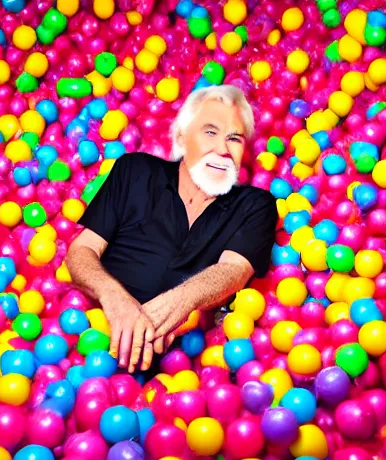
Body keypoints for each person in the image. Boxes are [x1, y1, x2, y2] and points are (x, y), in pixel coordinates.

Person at [65, 84, 278, 374]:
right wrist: (116, 300)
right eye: (210, 132)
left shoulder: (256, 205)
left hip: (186, 374)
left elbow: (234, 271)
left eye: (234, 139)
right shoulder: (134, 170)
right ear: (181, 136)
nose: (222, 150)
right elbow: (83, 248)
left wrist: (178, 302)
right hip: (88, 344)